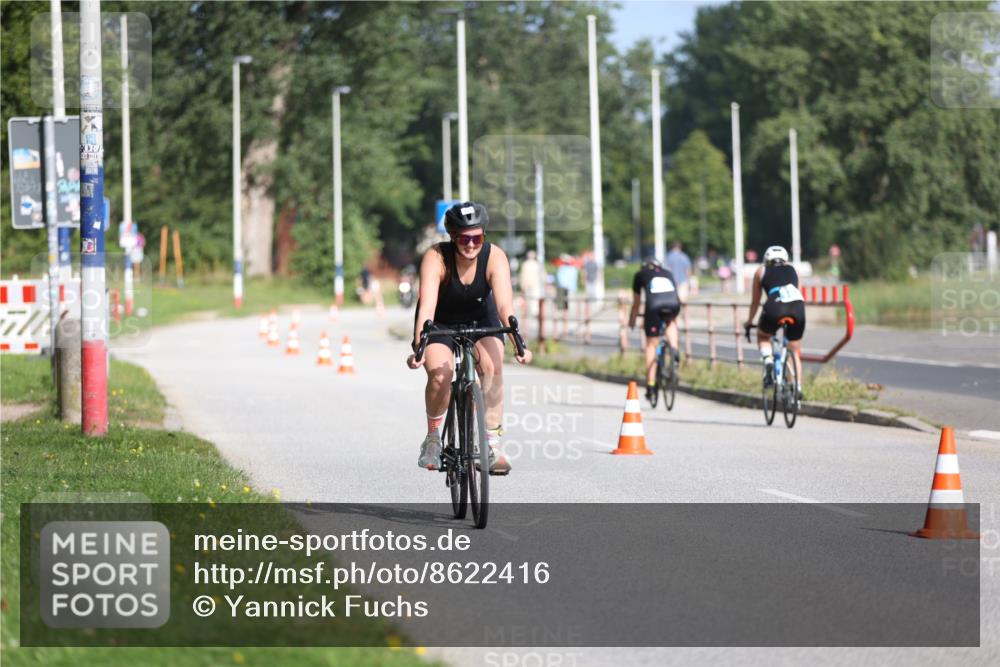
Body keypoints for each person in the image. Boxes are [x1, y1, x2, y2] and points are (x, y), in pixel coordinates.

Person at [407, 202, 532, 475]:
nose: (472, 245)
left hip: (481, 320)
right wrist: (419, 347)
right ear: (453, 237)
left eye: (478, 238)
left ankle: (492, 445)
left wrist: (518, 343)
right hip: (440, 322)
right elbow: (426, 304)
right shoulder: (436, 257)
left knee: (492, 368)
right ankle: (432, 439)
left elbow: (504, 307)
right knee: (440, 377)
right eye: (465, 238)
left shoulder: (495, 256)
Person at [743, 245, 806, 398]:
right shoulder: (794, 270)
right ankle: (797, 387)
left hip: (775, 307)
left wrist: (749, 321)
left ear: (766, 259)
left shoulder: (761, 271)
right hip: (797, 308)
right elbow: (799, 292)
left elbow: (755, 302)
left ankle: (768, 360)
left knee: (763, 336)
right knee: (794, 350)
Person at [629, 257, 682, 404]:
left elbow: (636, 303)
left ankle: (651, 385)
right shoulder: (667, 272)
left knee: (651, 345)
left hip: (654, 306)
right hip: (673, 305)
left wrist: (632, 320)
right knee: (670, 321)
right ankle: (674, 349)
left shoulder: (640, 274)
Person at [519, 250, 542, 316]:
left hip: (532, 285)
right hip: (533, 285)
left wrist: (522, 285)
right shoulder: (536, 264)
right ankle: (533, 313)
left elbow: (522, 275)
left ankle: (531, 313)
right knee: (533, 300)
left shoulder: (526, 264)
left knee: (531, 299)